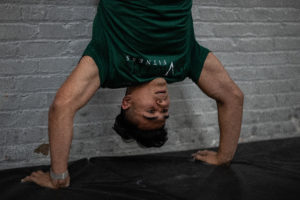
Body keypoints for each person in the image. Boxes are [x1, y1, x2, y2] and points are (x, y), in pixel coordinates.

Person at [21, 0, 244, 189]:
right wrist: (223, 157)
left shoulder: (109, 65)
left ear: (127, 102)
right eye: (165, 111)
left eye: (151, 111)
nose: (162, 103)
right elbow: (233, 97)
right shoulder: (185, 65)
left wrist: (58, 177)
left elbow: (62, 106)